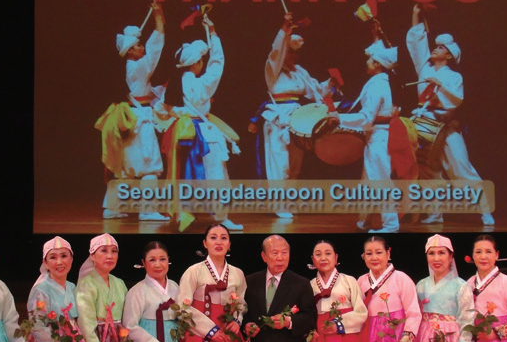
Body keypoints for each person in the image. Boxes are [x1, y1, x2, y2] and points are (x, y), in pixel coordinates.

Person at [406, 4, 494, 226]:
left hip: (445, 125)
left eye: (440, 48)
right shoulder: (424, 69)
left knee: (460, 168)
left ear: (448, 55)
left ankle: (484, 210)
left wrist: (440, 86)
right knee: (429, 171)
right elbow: (417, 43)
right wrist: (416, 13)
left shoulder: (454, 77)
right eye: (435, 47)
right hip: (425, 123)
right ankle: (435, 214)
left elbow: (457, 99)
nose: (435, 49)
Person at [165, 14, 242, 231]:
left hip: (185, 132)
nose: (203, 64)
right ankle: (221, 218)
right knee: (216, 175)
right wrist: (214, 34)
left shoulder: (179, 82)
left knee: (188, 174)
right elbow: (217, 63)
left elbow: (169, 108)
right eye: (201, 60)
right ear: (197, 63)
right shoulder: (202, 84)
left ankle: (185, 214)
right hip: (202, 133)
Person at [97, 0, 170, 221]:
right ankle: (148, 211)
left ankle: (112, 208)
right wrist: (158, 18)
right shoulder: (138, 67)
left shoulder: (133, 67)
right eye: (138, 46)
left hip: (133, 118)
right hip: (140, 121)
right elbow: (155, 49)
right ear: (130, 50)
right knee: (150, 167)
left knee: (127, 168)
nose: (142, 48)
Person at [258, 13, 334, 218]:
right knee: (280, 163)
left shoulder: (299, 71)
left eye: (296, 53)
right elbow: (275, 52)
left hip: (297, 120)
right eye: (290, 52)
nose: (294, 57)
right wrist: (284, 29)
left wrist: (331, 83)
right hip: (278, 119)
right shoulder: (272, 70)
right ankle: (279, 205)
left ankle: (288, 202)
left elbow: (316, 91)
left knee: (294, 164)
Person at [335, 41, 400, 233]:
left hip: (379, 136)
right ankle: (363, 222)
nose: (367, 62)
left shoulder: (377, 86)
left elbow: (366, 117)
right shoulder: (378, 83)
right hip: (376, 135)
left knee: (381, 181)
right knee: (369, 182)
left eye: (370, 59)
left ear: (377, 64)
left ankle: (391, 225)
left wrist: (339, 119)